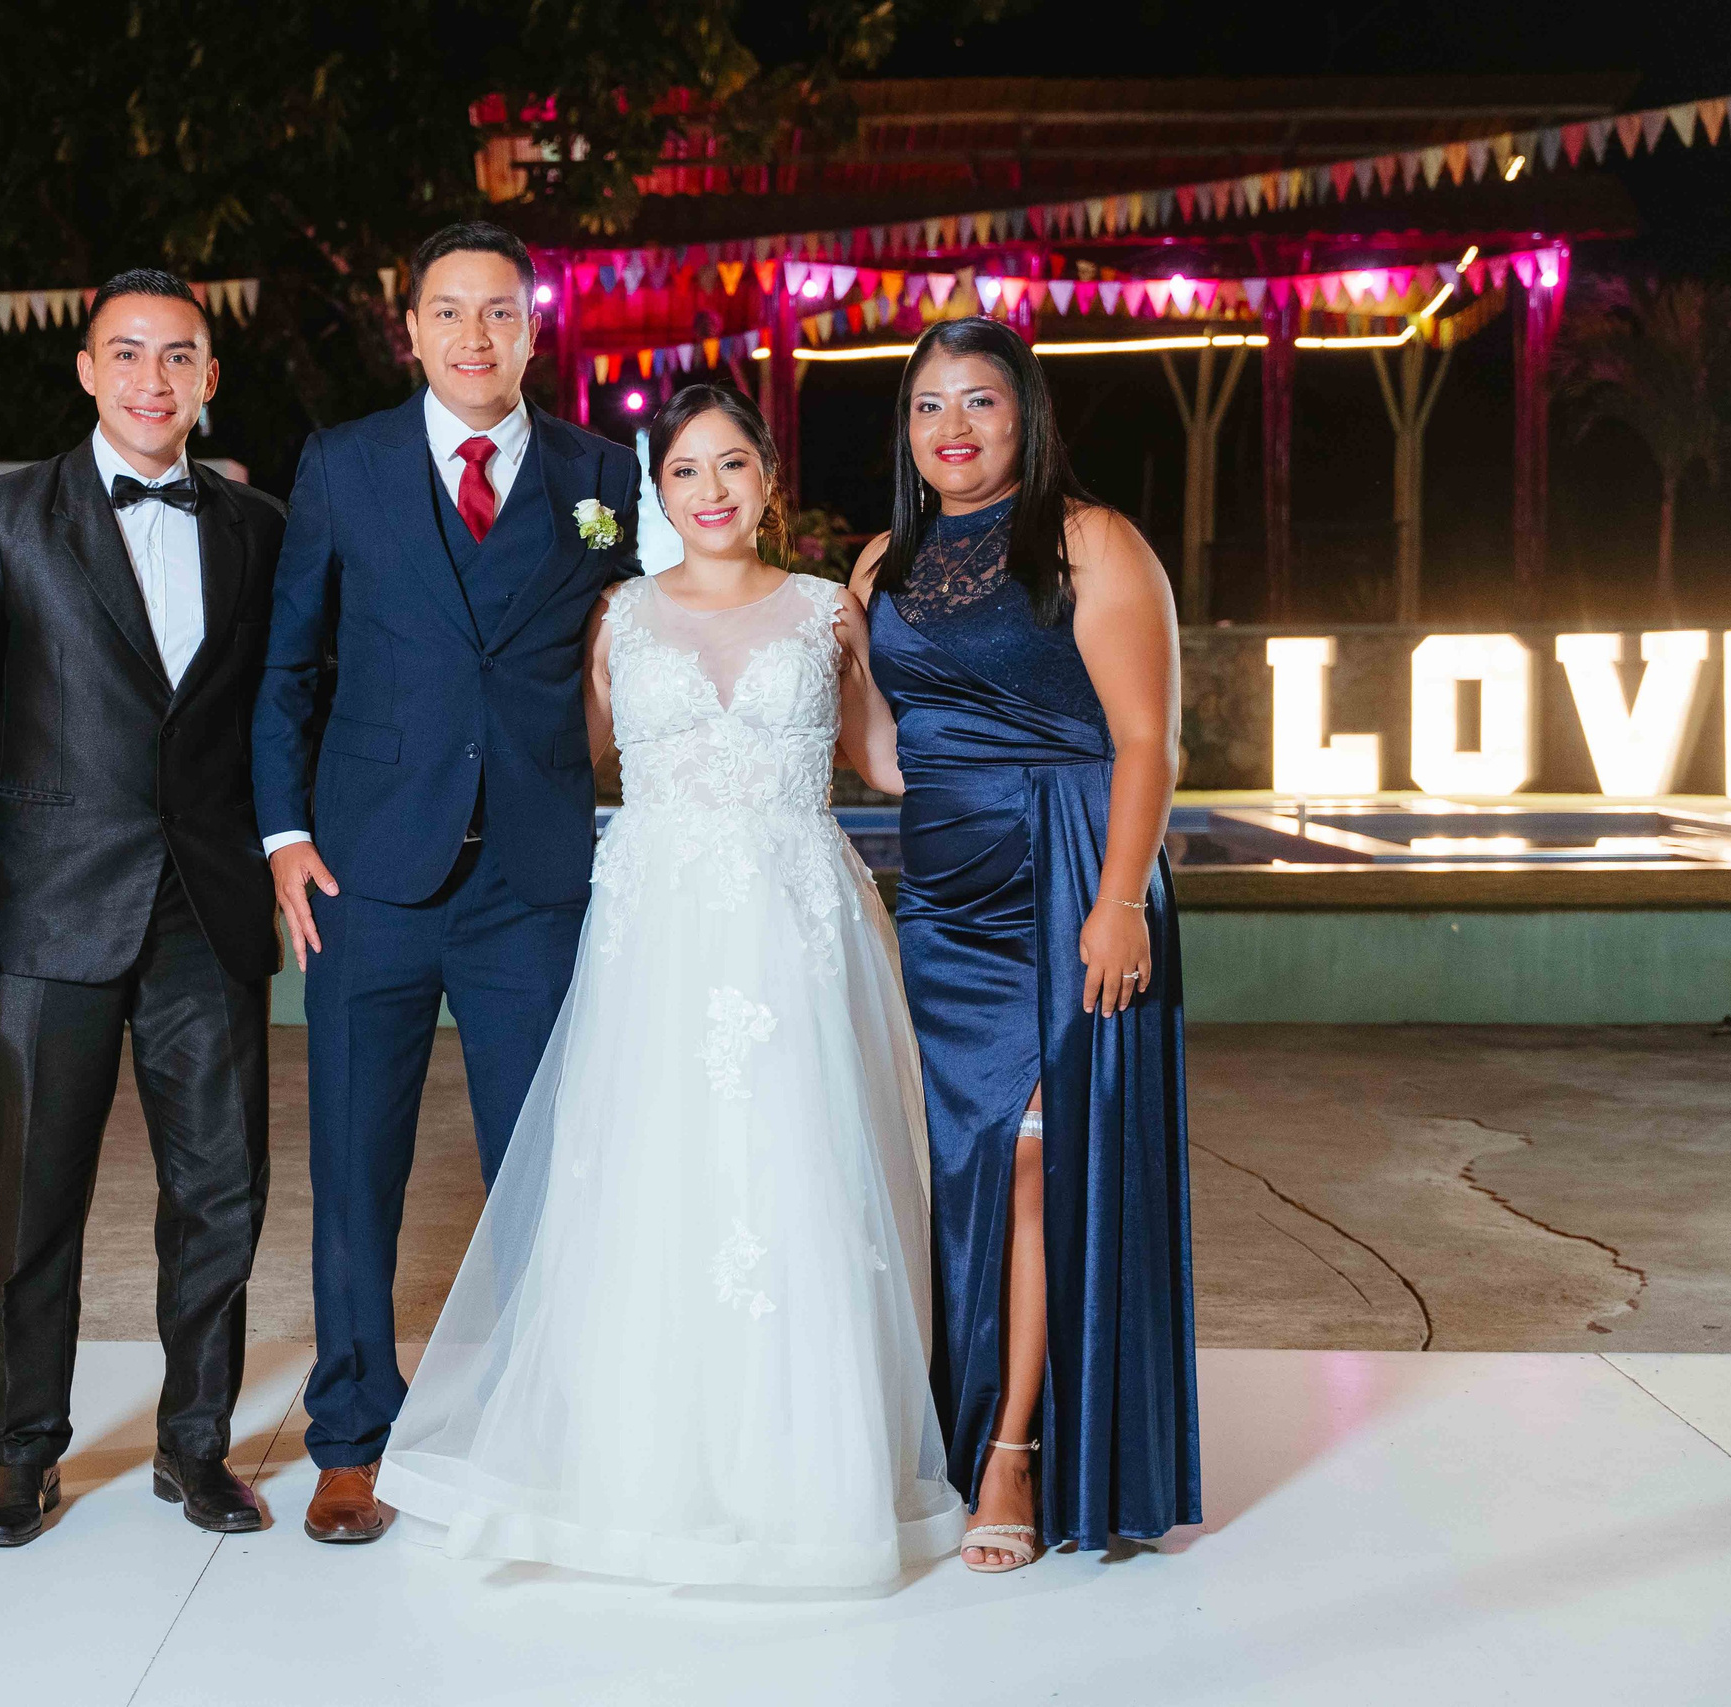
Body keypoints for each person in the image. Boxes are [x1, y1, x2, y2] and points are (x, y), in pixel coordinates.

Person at [377, 385, 964, 1587]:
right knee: (656, 1177)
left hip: (794, 928)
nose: (710, 491)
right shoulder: (615, 616)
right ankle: (638, 1465)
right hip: (655, 935)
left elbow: (890, 763)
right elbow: (556, 760)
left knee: (795, 1176)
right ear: (657, 492)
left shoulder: (826, 611)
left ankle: (802, 1473)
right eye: (686, 471)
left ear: (767, 481)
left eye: (732, 465)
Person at [251, 220, 644, 1544]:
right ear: (407, 328)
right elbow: (290, 664)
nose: (476, 335)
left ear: (536, 330)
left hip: (532, 876)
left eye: (501, 313)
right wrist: (283, 835)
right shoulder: (346, 465)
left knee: (542, 1166)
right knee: (356, 1167)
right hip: (370, 872)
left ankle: (543, 1427)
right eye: (449, 312)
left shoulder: (601, 470)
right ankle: (352, 1436)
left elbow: (637, 642)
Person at [0, 269, 288, 1547]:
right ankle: (22, 1454)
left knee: (221, 1196)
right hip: (44, 917)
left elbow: (282, 716)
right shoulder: (3, 516)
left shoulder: (257, 527)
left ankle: (196, 1448)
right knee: (36, 1201)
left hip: (207, 913)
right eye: (126, 354)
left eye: (178, 357)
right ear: (84, 369)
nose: (151, 380)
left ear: (209, 378)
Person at [848, 316, 1200, 1573]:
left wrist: (1118, 900)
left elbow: (1148, 743)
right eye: (929, 405)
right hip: (943, 905)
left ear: (1025, 415)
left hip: (1069, 877)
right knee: (968, 1169)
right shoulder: (880, 565)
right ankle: (971, 1417)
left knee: (1043, 1167)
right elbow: (888, 759)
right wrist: (817, 662)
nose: (953, 428)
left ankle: (1016, 1450)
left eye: (979, 402)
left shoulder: (1090, 541)